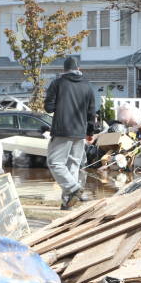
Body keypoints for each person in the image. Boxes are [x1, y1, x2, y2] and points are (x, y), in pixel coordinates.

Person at [44, 57, 96, 210]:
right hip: (79, 132)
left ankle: (73, 188)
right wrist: (90, 132)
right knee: (72, 165)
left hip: (62, 130)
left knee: (55, 162)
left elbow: (49, 108)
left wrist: (57, 101)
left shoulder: (58, 83)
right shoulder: (87, 86)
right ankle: (67, 203)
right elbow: (91, 113)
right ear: (79, 69)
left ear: (64, 70)